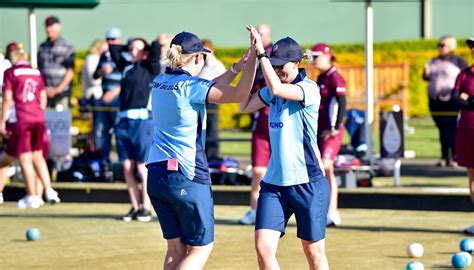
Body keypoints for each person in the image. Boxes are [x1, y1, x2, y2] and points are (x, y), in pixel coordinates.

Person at [146, 29, 256, 269]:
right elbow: (238, 94)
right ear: (197, 58)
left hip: (156, 174)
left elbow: (208, 89)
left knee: (176, 248)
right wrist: (254, 63)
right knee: (201, 247)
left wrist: (236, 68)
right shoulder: (190, 86)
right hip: (186, 174)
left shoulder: (160, 81)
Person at [240, 28, 330, 269]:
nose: (278, 70)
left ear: (297, 63)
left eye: (282, 65)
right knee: (262, 246)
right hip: (274, 184)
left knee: (313, 252)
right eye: (274, 65)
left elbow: (279, 90)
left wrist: (262, 56)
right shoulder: (272, 90)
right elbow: (244, 104)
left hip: (307, 182)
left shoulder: (308, 89)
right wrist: (250, 63)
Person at [103, 38, 160, 222]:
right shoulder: (127, 67)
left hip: (143, 122)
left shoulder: (150, 68)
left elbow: (156, 50)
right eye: (131, 49)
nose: (132, 52)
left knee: (141, 167)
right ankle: (135, 207)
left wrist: (156, 42)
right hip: (124, 122)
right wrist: (129, 46)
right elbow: (113, 49)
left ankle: (146, 208)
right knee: (127, 167)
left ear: (145, 52)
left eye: (137, 49)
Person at [1, 44, 60, 208]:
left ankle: (32, 196)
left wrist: (2, 121)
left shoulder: (11, 73)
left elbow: (7, 100)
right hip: (38, 118)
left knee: (25, 158)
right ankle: (49, 190)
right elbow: (43, 99)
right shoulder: (36, 72)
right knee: (38, 156)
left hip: (21, 118)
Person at [239, 23, 273, 225]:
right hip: (260, 119)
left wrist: (261, 57)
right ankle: (254, 209)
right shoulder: (252, 56)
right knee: (259, 171)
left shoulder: (274, 56)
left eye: (263, 34)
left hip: (276, 119)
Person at [310, 43, 347, 226]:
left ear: (327, 56)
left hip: (331, 131)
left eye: (317, 56)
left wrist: (335, 127)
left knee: (326, 166)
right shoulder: (321, 77)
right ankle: (327, 210)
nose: (314, 60)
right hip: (320, 129)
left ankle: (332, 211)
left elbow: (342, 103)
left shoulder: (335, 77)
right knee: (323, 168)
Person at [423, 35, 468, 167]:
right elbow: (426, 77)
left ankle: (454, 156)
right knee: (442, 128)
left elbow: (467, 79)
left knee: (452, 128)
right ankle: (444, 156)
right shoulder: (433, 61)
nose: (440, 48)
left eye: (443, 45)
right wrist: (425, 71)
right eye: (439, 45)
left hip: (451, 101)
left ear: (452, 47)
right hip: (435, 100)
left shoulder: (458, 62)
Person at [92, 27, 128, 163]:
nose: (110, 42)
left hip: (118, 99)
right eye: (108, 39)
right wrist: (102, 71)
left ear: (119, 40)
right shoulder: (104, 55)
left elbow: (129, 78)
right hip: (104, 99)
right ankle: (103, 162)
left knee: (119, 131)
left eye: (113, 39)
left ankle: (121, 163)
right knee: (101, 131)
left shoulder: (126, 54)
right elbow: (95, 75)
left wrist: (114, 92)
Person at [452, 37, 474, 235]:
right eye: (472, 47)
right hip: (467, 129)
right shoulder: (465, 74)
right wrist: (469, 101)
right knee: (472, 177)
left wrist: (469, 98)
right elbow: (456, 97)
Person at [38, 16, 75, 111]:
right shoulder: (42, 46)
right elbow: (39, 69)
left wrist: (58, 89)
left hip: (62, 94)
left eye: (51, 26)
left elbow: (70, 71)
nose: (48, 29)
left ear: (58, 27)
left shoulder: (67, 46)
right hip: (45, 94)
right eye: (47, 26)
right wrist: (44, 89)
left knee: (61, 122)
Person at [198, 39, 226, 161]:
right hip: (200, 102)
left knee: (211, 130)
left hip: (212, 103)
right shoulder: (199, 65)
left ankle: (212, 157)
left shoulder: (217, 65)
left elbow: (223, 84)